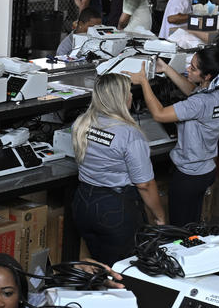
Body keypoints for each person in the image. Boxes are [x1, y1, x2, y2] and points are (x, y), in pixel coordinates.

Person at [129, 46, 219, 226]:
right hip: (206, 169)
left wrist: (144, 82)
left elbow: (160, 114)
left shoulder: (200, 102)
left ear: (207, 76)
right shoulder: (218, 92)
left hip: (189, 176)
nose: (188, 68)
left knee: (180, 229)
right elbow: (192, 91)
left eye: (193, 68)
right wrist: (166, 69)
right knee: (191, 223)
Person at [71, 73, 166, 264]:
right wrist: (160, 216)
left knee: (97, 266)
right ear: (122, 98)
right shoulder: (130, 135)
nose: (131, 96)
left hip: (83, 203)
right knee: (122, 270)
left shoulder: (81, 123)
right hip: (115, 209)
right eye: (129, 92)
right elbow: (145, 184)